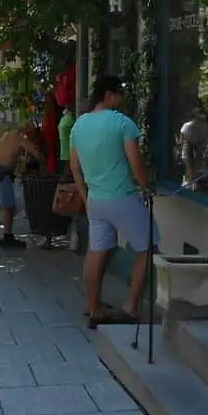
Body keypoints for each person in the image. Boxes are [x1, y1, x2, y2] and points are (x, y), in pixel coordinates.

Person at [69, 75, 156, 328]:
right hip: (122, 196)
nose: (122, 99)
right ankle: (131, 306)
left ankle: (93, 306)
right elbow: (135, 162)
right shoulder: (122, 123)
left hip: (96, 199)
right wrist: (146, 186)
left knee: (96, 251)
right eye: (119, 94)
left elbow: (74, 166)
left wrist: (85, 197)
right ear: (109, 95)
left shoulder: (79, 125)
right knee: (148, 246)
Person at [0, 120, 43, 248]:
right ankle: (7, 237)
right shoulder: (22, 138)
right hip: (1, 175)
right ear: (28, 131)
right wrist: (44, 164)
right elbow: (36, 154)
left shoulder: (7, 134)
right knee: (7, 207)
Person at [58, 104, 76, 181]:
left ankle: (66, 178)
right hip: (68, 144)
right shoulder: (70, 119)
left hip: (65, 144)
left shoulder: (63, 119)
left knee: (68, 163)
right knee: (70, 163)